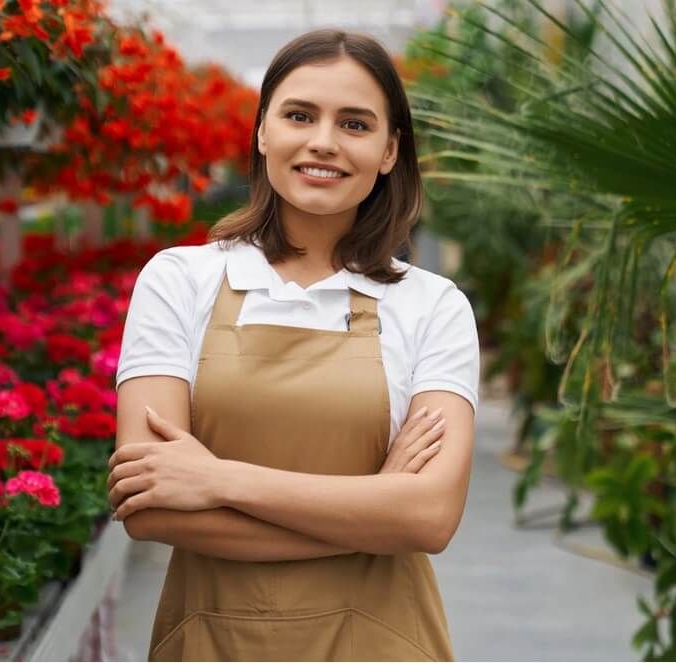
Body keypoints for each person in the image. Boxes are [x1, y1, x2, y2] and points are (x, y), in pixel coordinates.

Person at [108, 27, 479, 662]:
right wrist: (373, 515)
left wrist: (218, 479)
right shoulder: (180, 280)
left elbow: (428, 520)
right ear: (262, 132)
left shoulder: (432, 304)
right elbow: (151, 510)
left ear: (390, 151)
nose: (323, 142)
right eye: (299, 115)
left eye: (355, 124)